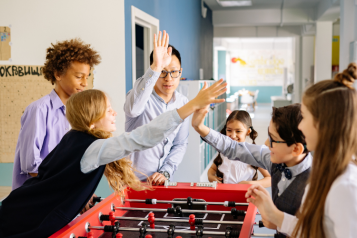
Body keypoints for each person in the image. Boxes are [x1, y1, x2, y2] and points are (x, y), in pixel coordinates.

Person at [0, 74, 226, 237]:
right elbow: (143, 136)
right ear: (91, 119)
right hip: (24, 219)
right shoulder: (93, 147)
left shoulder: (73, 137)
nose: (115, 113)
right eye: (108, 110)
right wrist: (192, 105)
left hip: (17, 208)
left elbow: (58, 179)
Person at [245, 63, 357, 238]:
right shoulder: (324, 169)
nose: (300, 126)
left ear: (323, 125)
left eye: (304, 117)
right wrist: (275, 215)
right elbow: (315, 230)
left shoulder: (346, 187)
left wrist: (277, 217)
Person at [192, 104, 311, 237]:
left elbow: (320, 232)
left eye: (273, 139)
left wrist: (278, 219)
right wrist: (200, 128)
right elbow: (234, 148)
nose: (266, 143)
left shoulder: (317, 184)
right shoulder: (274, 158)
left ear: (296, 149)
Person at [12, 38, 101, 190]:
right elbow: (31, 166)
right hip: (34, 202)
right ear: (58, 74)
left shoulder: (79, 115)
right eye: (79, 77)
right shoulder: (39, 110)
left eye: (87, 77)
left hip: (60, 199)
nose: (85, 83)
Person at [124, 30, 188, 185]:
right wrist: (155, 67)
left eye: (174, 72)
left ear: (181, 72)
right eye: (163, 72)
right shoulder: (140, 97)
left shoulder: (183, 102)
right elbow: (132, 110)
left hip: (163, 181)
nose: (168, 79)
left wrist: (165, 171)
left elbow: (180, 144)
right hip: (134, 181)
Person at [207, 110, 271, 187]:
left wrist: (250, 184)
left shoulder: (252, 153)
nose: (233, 135)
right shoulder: (224, 151)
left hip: (245, 197)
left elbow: (270, 179)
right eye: (229, 130)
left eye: (238, 131)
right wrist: (211, 176)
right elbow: (212, 169)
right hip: (225, 196)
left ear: (248, 132)